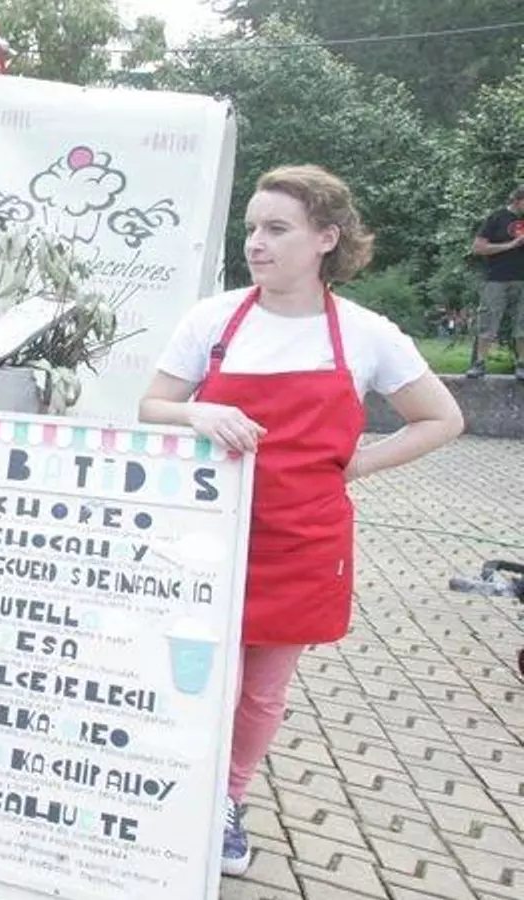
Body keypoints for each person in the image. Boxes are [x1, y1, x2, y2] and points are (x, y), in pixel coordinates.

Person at [139, 165, 463, 878]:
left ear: (326, 238)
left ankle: (227, 799)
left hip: (301, 543)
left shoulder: (368, 334)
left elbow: (442, 419)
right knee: (196, 680)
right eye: (251, 228)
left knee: (261, 691)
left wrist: (356, 466)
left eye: (276, 229)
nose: (255, 243)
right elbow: (151, 406)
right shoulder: (213, 320)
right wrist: (198, 411)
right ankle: (174, 791)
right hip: (202, 537)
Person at [467, 185, 524, 378]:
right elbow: (478, 248)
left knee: (522, 323)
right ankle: (479, 363)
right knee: (488, 321)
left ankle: (522, 364)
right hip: (497, 278)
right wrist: (511, 245)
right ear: (517, 200)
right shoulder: (497, 218)